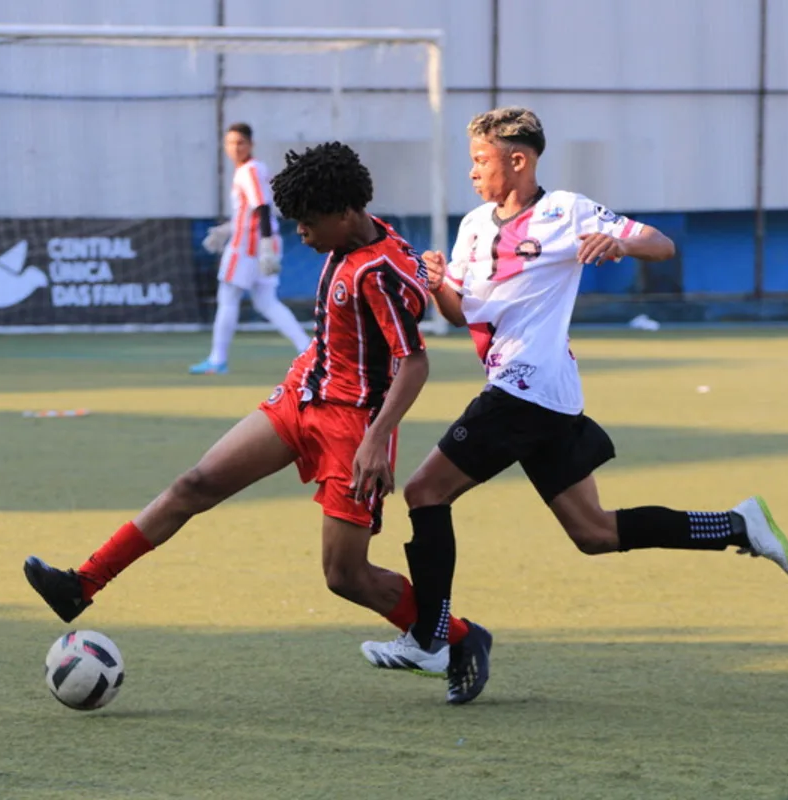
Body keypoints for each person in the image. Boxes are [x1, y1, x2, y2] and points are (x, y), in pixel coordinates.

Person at [361, 106, 788, 705]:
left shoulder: (566, 210)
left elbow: (662, 245)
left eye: (481, 160)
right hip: (546, 396)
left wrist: (618, 241)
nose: (472, 171)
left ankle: (431, 636)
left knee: (424, 492)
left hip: (526, 388)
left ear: (518, 160)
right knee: (593, 532)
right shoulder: (472, 226)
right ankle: (737, 523)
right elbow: (463, 314)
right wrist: (439, 282)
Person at [24, 142, 475, 678]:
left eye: (308, 222)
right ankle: (81, 585)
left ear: (344, 213)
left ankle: (460, 638)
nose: (300, 233)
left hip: (352, 427)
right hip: (301, 395)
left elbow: (415, 363)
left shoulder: (378, 272)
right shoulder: (365, 234)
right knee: (195, 483)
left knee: (344, 576)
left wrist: (376, 440)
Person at [190, 122, 311, 375]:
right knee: (266, 302)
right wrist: (225, 230)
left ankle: (217, 359)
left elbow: (262, 208)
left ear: (251, 144)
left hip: (248, 246)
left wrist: (264, 245)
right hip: (259, 241)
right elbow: (249, 212)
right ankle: (308, 350)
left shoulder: (249, 170)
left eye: (240, 142)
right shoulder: (254, 169)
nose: (235, 148)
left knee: (228, 297)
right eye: (231, 143)